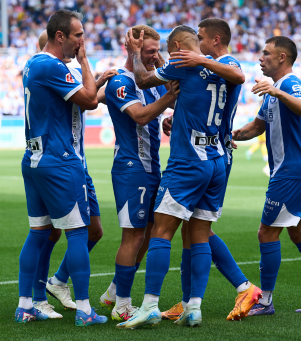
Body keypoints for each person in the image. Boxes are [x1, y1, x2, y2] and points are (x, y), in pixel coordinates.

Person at [117, 25, 232, 329]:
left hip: (188, 161)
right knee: (199, 235)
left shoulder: (180, 64)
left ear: (179, 46)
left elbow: (142, 79)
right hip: (217, 159)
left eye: (169, 49)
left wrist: (134, 53)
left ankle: (150, 304)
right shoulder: (228, 66)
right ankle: (194, 307)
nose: (167, 55)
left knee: (161, 231)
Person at [159, 18, 261, 322]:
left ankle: (243, 287)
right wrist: (176, 118)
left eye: (201, 38)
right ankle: (189, 301)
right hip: (209, 148)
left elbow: (238, 76)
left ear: (216, 40)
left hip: (213, 153)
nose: (198, 44)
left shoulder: (225, 62)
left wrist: (200, 59)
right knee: (191, 231)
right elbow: (202, 106)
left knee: (198, 229)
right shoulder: (211, 68)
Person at [232, 36, 301, 315]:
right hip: (292, 171)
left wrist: (277, 92)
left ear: (282, 58)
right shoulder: (274, 90)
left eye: (266, 53)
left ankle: (265, 300)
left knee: (266, 233)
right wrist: (229, 135)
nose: (260, 57)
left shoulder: (289, 83)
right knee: (300, 231)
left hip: (290, 172)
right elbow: (256, 127)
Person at [16, 10, 108, 326]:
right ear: (60, 36)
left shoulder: (34, 63)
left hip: (35, 158)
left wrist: (93, 81)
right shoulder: (52, 65)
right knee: (79, 233)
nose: (82, 41)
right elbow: (89, 100)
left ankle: (26, 304)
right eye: (78, 35)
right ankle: (84, 310)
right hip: (60, 161)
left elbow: (76, 97)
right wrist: (84, 63)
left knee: (39, 233)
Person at [97, 24, 179, 322]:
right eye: (148, 51)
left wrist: (169, 112)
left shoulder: (148, 82)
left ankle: (115, 290)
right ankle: (121, 303)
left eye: (157, 50)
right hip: (132, 167)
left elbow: (170, 98)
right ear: (132, 50)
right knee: (132, 236)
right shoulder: (122, 80)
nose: (153, 56)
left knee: (148, 233)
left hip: (151, 167)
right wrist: (168, 101)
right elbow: (141, 115)